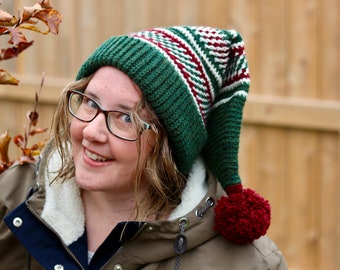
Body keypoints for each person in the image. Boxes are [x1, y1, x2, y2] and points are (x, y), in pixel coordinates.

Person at [0, 26, 288, 269]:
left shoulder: (244, 263)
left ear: (169, 145)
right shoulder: (14, 195)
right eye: (90, 102)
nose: (91, 131)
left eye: (126, 117)